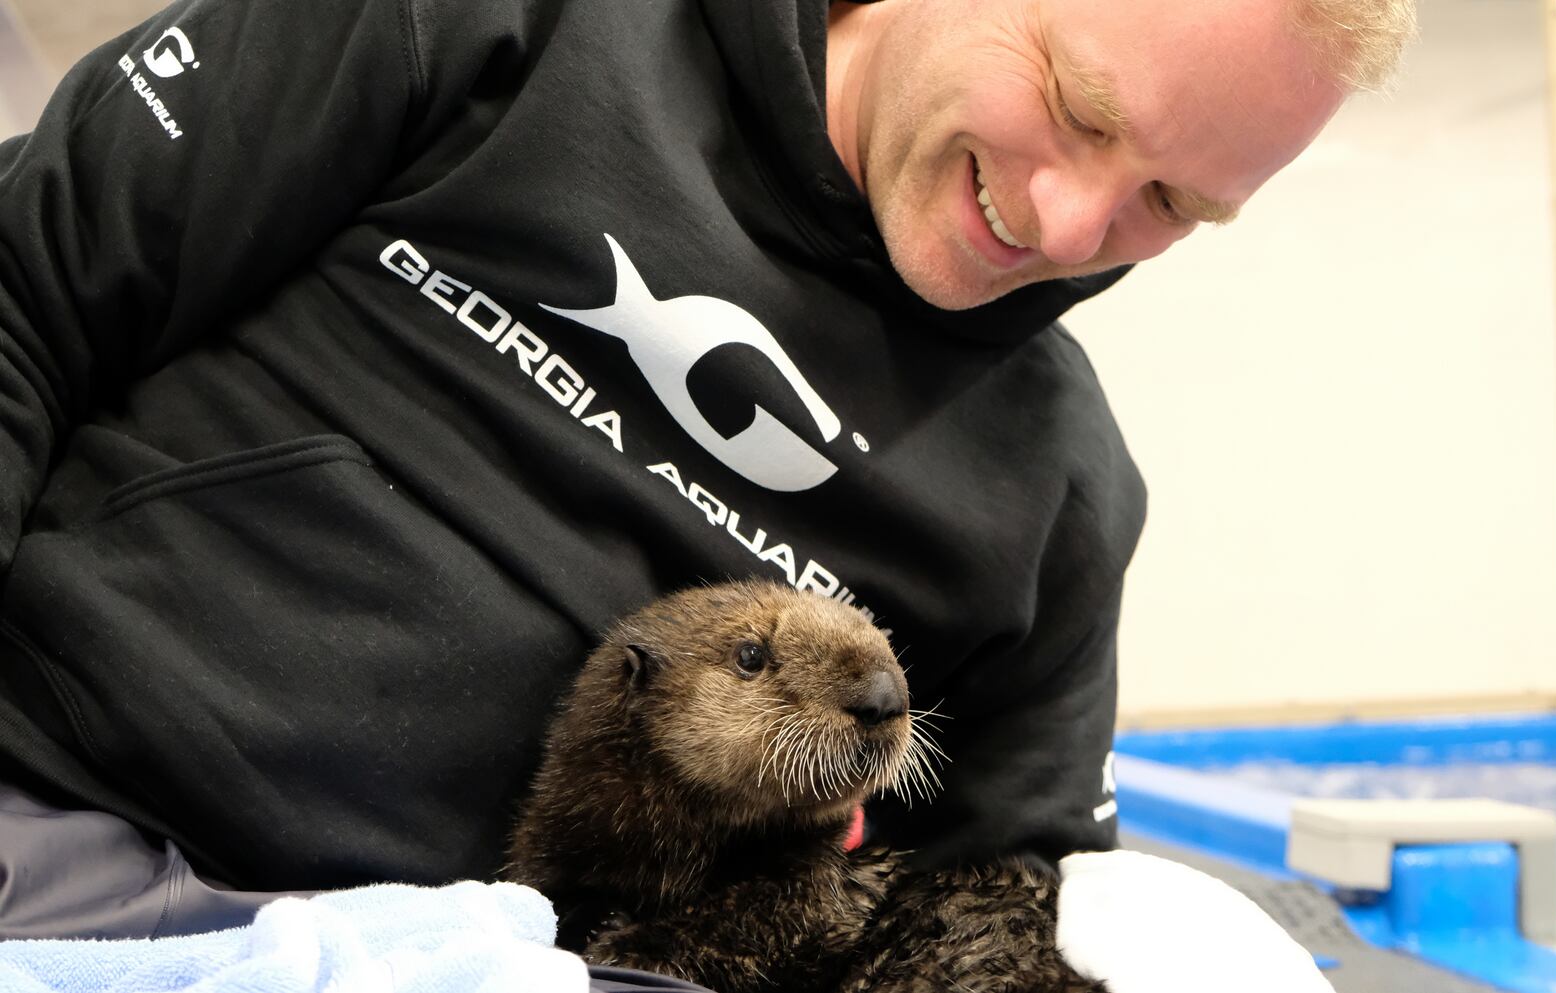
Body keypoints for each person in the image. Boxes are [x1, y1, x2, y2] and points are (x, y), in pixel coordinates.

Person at [0, 0, 1413, 985]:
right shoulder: (503, 20)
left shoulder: (1059, 489)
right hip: (52, 816)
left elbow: (999, 909)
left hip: (543, 965)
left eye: (1172, 203)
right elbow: (28, 286)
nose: (1067, 226)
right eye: (1074, 106)